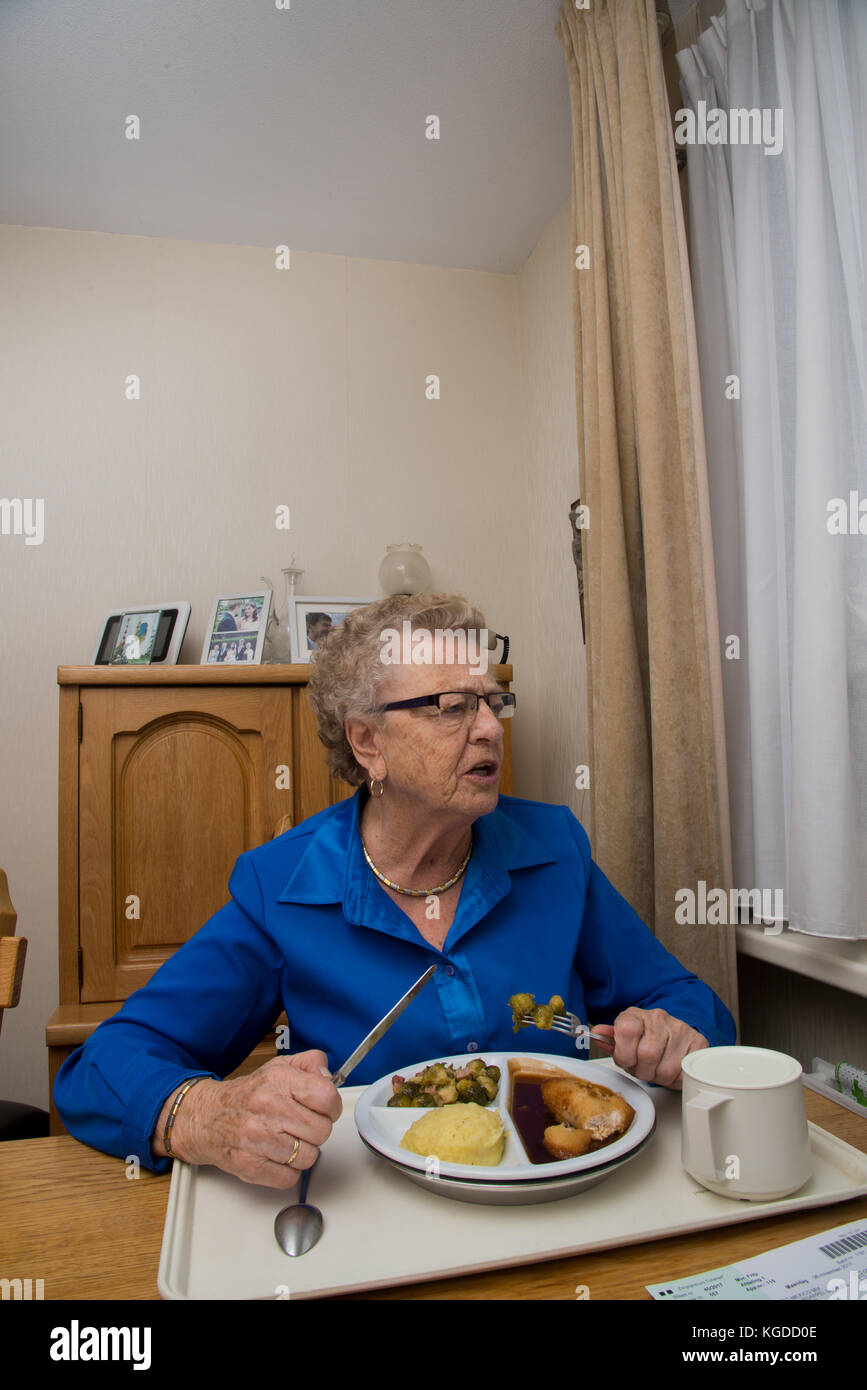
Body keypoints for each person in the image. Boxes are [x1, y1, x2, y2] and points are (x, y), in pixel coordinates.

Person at [53, 594, 736, 1192]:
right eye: (451, 707)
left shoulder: (554, 849)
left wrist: (674, 1034)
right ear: (366, 742)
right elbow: (101, 1068)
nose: (490, 727)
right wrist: (201, 1117)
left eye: (494, 701)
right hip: (371, 1220)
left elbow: (689, 1004)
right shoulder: (282, 887)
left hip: (567, 1192)